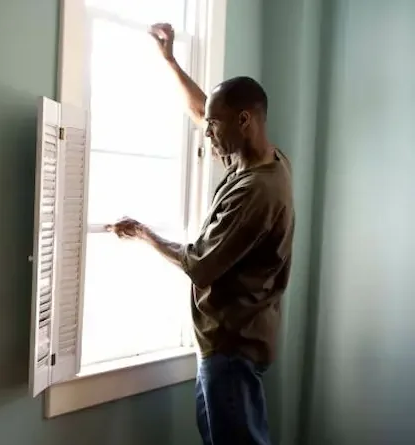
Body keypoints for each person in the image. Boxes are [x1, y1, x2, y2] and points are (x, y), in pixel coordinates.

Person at [106, 23, 295, 445]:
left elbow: (201, 264)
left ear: (244, 121)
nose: (207, 132)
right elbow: (201, 109)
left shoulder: (257, 191)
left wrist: (145, 235)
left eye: (215, 125)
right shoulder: (261, 158)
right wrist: (169, 60)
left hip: (233, 346)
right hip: (226, 342)